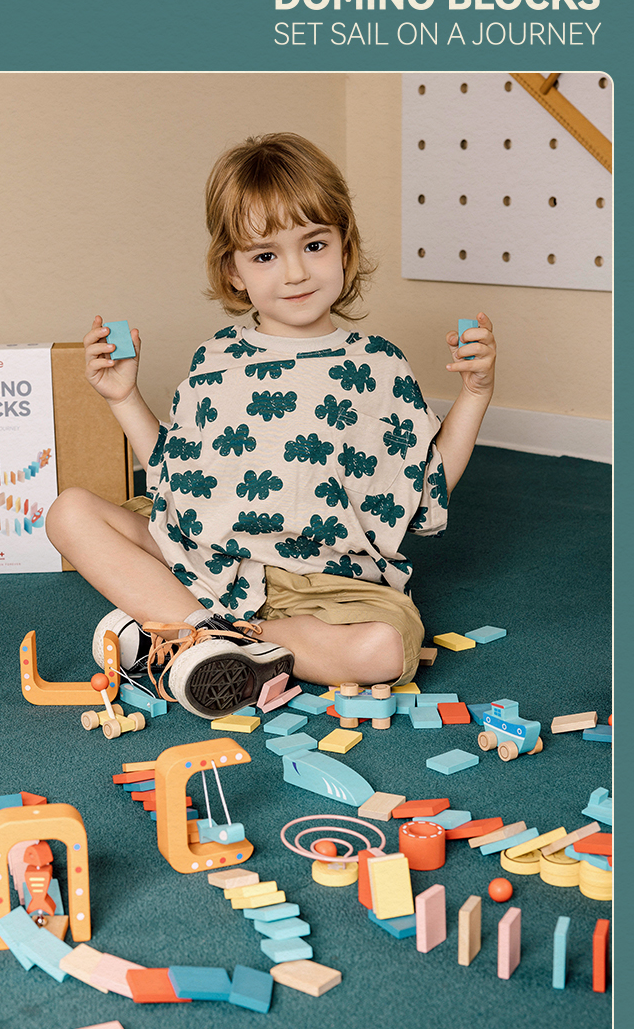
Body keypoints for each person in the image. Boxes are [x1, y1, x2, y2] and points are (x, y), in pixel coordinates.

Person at [45, 132, 496, 718]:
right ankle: (207, 635)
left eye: (314, 245)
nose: (295, 273)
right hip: (210, 556)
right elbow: (178, 476)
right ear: (232, 271)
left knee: (384, 649)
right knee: (69, 512)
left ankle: (190, 633)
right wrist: (123, 396)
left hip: (328, 579)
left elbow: (426, 484)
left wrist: (476, 394)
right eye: (265, 256)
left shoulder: (379, 364)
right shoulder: (215, 360)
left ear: (345, 248)